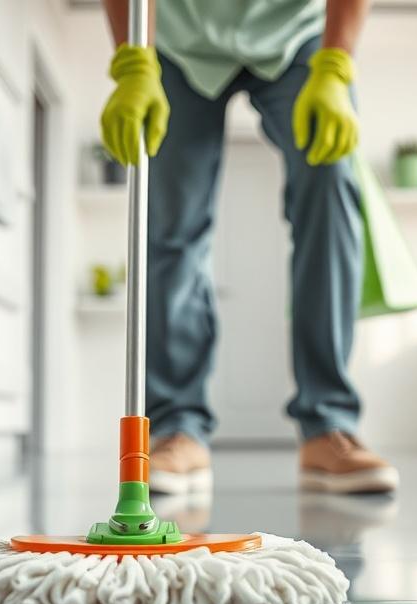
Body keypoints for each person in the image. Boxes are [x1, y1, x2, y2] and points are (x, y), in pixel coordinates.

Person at [100, 0, 399, 494]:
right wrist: (134, 63)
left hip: (297, 36)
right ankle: (177, 429)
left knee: (330, 183)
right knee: (171, 219)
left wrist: (335, 65)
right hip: (176, 38)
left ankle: (328, 425)